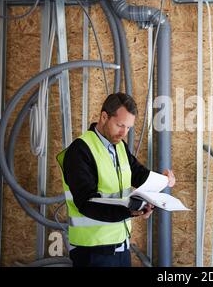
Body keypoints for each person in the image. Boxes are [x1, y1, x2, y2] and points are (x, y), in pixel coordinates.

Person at [56, 92, 176, 267]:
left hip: (120, 247)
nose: (124, 133)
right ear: (104, 117)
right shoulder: (80, 150)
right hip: (92, 251)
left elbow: (139, 174)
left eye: (128, 127)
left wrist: (163, 181)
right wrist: (130, 211)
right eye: (120, 125)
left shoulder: (120, 147)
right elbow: (87, 203)